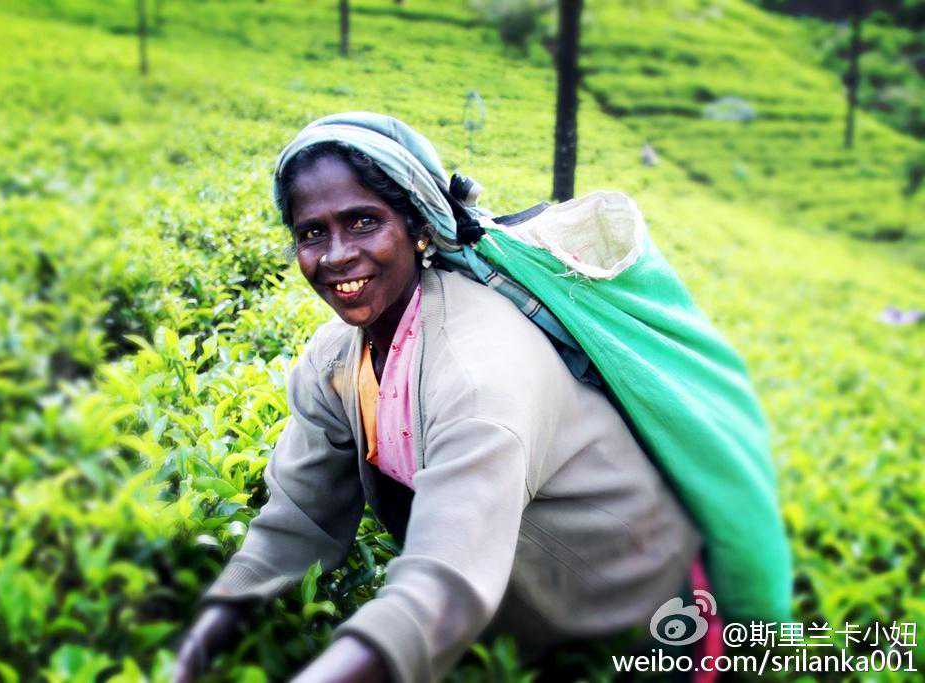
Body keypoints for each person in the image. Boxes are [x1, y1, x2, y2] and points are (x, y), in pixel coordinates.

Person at [173, 114, 707, 683]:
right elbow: (297, 522)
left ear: (419, 226)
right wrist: (194, 647)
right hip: (521, 624)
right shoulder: (336, 359)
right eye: (312, 233)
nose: (336, 255)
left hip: (641, 629)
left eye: (363, 222)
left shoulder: (478, 372)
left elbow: (440, 586)